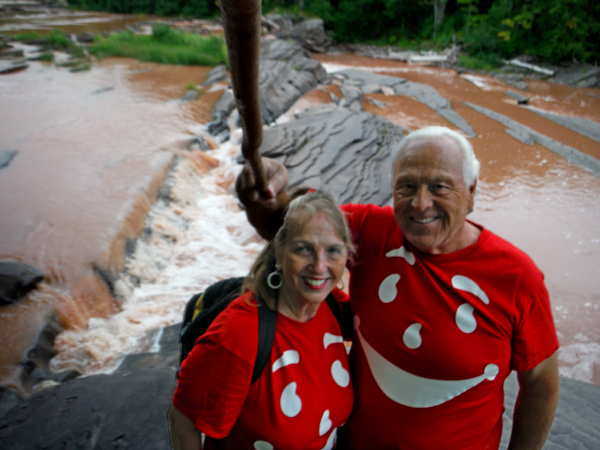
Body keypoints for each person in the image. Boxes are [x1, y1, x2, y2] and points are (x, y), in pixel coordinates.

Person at [235, 126, 560, 450]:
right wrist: (263, 192)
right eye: (407, 186)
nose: (420, 203)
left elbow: (540, 386)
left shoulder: (517, 277)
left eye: (439, 187)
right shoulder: (369, 229)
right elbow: (286, 229)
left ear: (472, 191)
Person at [168, 190, 355, 450]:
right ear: (279, 251)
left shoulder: (332, 307)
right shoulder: (239, 334)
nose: (320, 266)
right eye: (304, 249)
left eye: (333, 251)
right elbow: (184, 418)